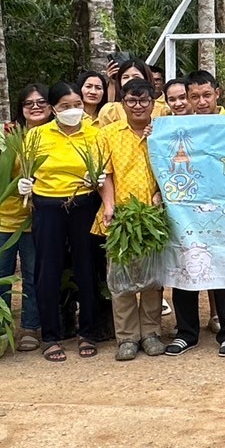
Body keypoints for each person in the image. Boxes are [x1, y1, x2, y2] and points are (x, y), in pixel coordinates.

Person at [21, 81, 102, 362]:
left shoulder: (95, 133)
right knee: (48, 271)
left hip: (84, 203)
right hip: (47, 205)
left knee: (87, 268)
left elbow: (104, 164)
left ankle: (88, 332)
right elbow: (25, 169)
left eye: (77, 105)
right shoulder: (37, 135)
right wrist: (24, 184)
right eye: (65, 106)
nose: (73, 111)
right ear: (53, 109)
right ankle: (51, 336)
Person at [166, 71, 225, 356]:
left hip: (221, 208)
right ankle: (186, 332)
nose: (200, 101)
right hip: (184, 210)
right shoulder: (174, 128)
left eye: (206, 95)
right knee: (183, 266)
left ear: (217, 93)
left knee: (223, 266)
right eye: (193, 96)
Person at [94, 78, 165, 361]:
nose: (138, 106)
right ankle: (126, 338)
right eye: (131, 101)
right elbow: (105, 173)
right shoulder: (108, 134)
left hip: (153, 216)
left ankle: (151, 333)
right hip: (121, 216)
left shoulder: (161, 132)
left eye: (143, 101)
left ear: (152, 103)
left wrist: (160, 194)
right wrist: (109, 205)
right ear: (122, 103)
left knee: (152, 277)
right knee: (121, 278)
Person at [0, 84, 53, 353]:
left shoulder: (55, 136)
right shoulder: (8, 136)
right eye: (29, 103)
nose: (36, 107)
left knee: (32, 275)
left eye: (41, 102)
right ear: (21, 109)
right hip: (5, 217)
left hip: (36, 220)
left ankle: (30, 326)